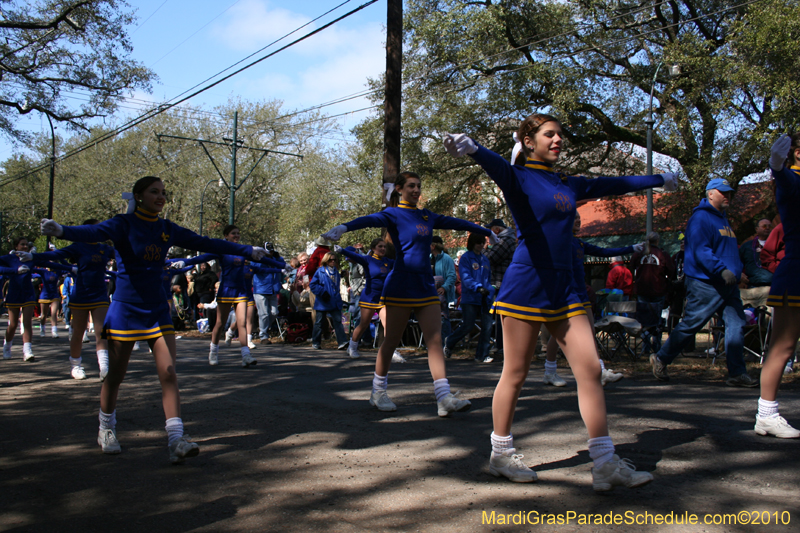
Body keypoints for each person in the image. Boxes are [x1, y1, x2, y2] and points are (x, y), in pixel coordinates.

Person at [444, 113, 673, 490]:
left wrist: (658, 179)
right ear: (528, 141)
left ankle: (605, 462)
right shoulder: (518, 177)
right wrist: (473, 148)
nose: (558, 140)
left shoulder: (567, 183)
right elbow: (495, 165)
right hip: (527, 284)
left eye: (560, 135)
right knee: (515, 373)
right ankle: (500, 454)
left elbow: (612, 184)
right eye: (549, 134)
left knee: (591, 370)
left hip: (565, 288)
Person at [40, 176, 269, 464]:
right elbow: (93, 232)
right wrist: (63, 230)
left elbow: (206, 242)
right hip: (126, 310)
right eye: (154, 192)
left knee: (169, 372)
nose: (161, 197)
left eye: (163, 192)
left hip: (157, 310)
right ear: (138, 195)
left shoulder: (167, 228)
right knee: (116, 375)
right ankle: (106, 428)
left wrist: (247, 250)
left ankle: (176, 439)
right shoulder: (122, 224)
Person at [321, 171, 495, 416]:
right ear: (399, 189)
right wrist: (344, 227)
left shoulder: (427, 216)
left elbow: (457, 222)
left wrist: (485, 231)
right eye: (411, 186)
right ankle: (377, 392)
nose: (416, 190)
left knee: (435, 340)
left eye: (418, 186)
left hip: (424, 284)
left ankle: (443, 397)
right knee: (391, 340)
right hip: (401, 284)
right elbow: (370, 219)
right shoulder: (393, 213)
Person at [650, 178, 757, 387]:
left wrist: (737, 272)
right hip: (706, 283)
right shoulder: (700, 218)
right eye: (723, 192)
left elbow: (728, 252)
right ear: (710, 194)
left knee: (736, 324)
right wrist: (722, 270)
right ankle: (661, 358)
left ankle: (737, 372)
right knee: (692, 324)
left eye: (729, 192)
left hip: (728, 284)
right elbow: (701, 251)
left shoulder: (723, 220)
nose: (728, 196)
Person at [753, 134, 800, 438]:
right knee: (783, 346)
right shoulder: (793, 180)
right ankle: (766, 413)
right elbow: (786, 181)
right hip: (796, 273)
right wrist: (777, 165)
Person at [207, 225, 285, 368]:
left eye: (238, 233)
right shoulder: (222, 249)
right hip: (226, 290)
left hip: (241, 291)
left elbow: (263, 261)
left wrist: (282, 266)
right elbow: (205, 256)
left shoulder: (243, 250)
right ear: (226, 236)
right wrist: (185, 262)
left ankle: (246, 355)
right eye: (233, 233)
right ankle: (213, 350)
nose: (236, 235)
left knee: (242, 322)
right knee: (220, 323)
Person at [1, 238, 72, 362]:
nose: (25, 247)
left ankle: (27, 350)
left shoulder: (31, 258)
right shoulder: (9, 258)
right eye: (22, 244)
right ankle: (7, 347)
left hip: (28, 294)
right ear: (16, 246)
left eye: (26, 245)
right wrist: (15, 271)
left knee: (27, 322)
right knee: (13, 324)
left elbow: (50, 264)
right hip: (14, 294)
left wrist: (70, 268)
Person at [336, 239, 397, 360]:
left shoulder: (387, 261)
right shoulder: (368, 259)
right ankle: (352, 347)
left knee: (388, 325)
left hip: (382, 298)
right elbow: (355, 256)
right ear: (373, 248)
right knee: (363, 324)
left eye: (384, 247)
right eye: (380, 246)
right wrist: (342, 250)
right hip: (369, 297)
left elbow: (402, 264)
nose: (383, 249)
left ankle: (391, 351)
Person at [444, 232, 494, 362]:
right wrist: (477, 287)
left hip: (485, 298)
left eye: (482, 242)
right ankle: (450, 341)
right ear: (472, 243)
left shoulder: (485, 259)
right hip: (470, 297)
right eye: (478, 242)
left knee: (487, 326)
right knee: (468, 326)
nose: (481, 245)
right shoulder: (466, 258)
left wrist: (489, 290)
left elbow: (488, 278)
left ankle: (482, 355)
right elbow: (465, 277)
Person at [630, 231, 675, 353]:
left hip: (643, 290)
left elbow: (632, 265)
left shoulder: (639, 253)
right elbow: (671, 271)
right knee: (656, 320)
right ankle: (657, 346)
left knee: (644, 320)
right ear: (657, 241)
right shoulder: (662, 254)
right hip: (658, 290)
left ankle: (645, 346)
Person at [484, 218, 516, 360]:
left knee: (500, 317)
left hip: (501, 283)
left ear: (496, 230)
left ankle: (501, 346)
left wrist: (485, 248)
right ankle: (502, 345)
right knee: (501, 316)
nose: (489, 235)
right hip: (506, 283)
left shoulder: (504, 242)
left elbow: (490, 259)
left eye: (491, 231)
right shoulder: (510, 240)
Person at [309, 252, 348, 350]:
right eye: (330, 260)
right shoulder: (320, 271)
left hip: (334, 301)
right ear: (326, 260)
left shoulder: (336, 271)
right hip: (323, 301)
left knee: (338, 322)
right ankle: (316, 342)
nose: (333, 261)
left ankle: (342, 342)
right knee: (319, 322)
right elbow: (313, 285)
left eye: (335, 259)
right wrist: (322, 292)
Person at [431, 236, 457, 340]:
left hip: (442, 295)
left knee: (443, 318)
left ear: (433, 246)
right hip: (431, 293)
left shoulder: (446, 259)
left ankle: (445, 342)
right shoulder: (428, 258)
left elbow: (452, 276)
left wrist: (444, 287)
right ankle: (434, 342)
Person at [739, 219, 773, 287]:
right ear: (756, 229)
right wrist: (740, 274)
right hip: (753, 285)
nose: (767, 228)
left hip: (774, 284)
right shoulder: (747, 246)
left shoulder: (777, 244)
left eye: (770, 226)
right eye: (764, 226)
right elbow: (737, 262)